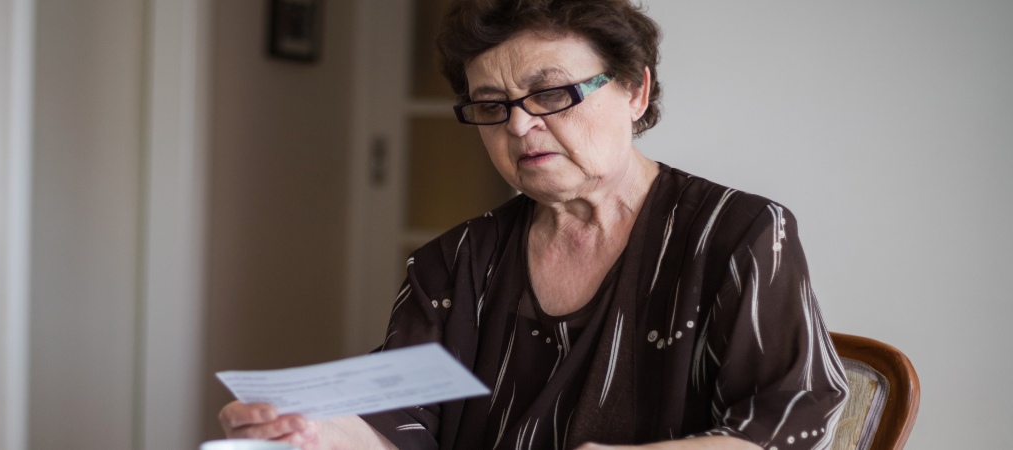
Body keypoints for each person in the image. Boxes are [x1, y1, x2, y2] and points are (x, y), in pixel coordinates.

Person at [219, 0, 848, 448]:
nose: (519, 126)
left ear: (633, 90)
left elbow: (786, 421)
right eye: (491, 106)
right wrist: (311, 433)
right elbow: (398, 422)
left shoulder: (736, 232)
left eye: (551, 94)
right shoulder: (456, 260)